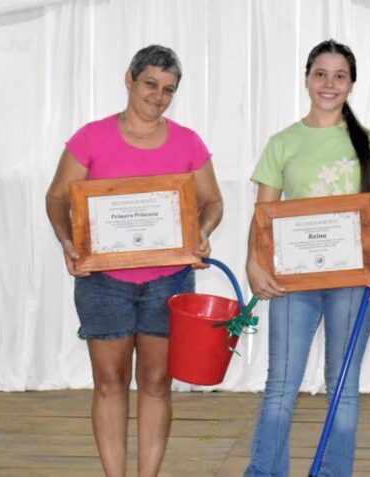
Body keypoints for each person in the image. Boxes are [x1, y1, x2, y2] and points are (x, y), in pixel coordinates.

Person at [45, 45, 223, 477]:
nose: (157, 96)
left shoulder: (188, 141)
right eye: (150, 84)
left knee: (158, 383)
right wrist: (69, 242)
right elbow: (56, 199)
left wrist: (201, 234)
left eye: (168, 89)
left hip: (169, 279)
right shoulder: (90, 137)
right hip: (103, 281)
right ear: (129, 79)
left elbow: (213, 202)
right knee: (109, 382)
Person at [243, 39, 370, 477]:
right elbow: (263, 215)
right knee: (281, 386)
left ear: (352, 83)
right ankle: (265, 472)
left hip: (355, 282)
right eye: (321, 74)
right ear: (307, 79)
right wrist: (253, 262)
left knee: (343, 387)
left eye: (339, 76)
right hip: (292, 281)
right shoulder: (283, 142)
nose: (329, 84)